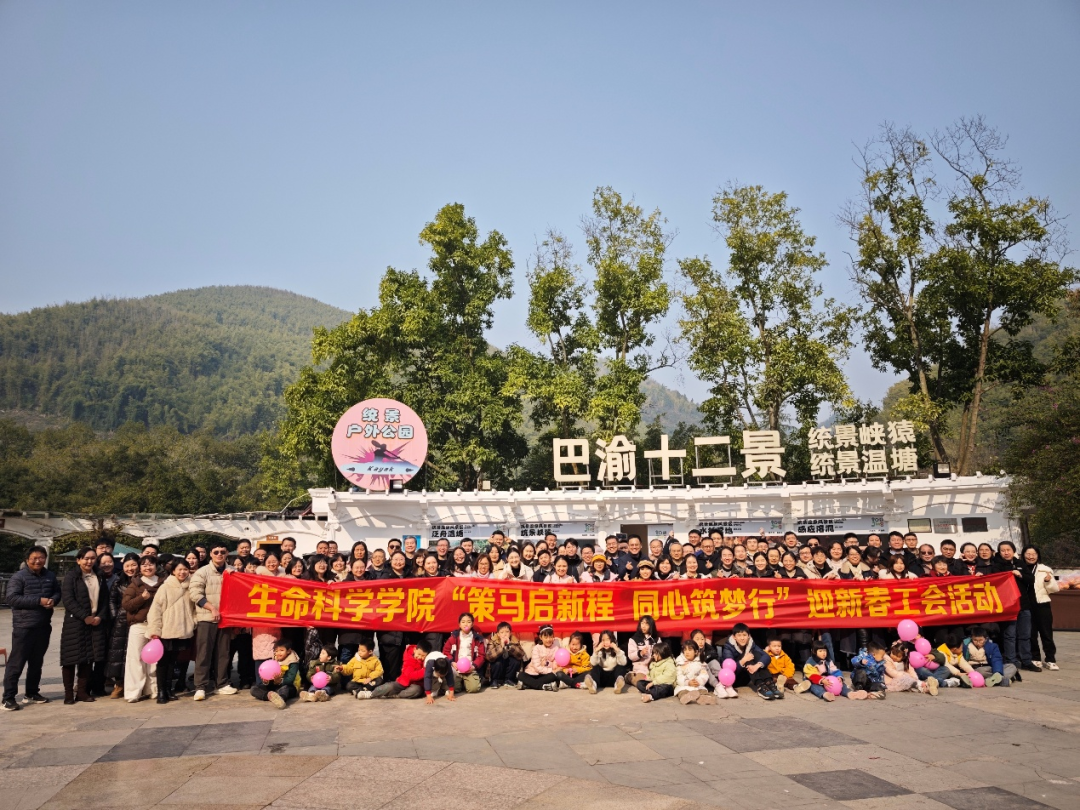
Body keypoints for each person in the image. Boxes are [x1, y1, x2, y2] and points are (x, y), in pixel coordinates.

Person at [3, 546, 61, 711]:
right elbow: (12, 598)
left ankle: (32, 693)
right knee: (17, 663)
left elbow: (57, 592)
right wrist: (39, 601)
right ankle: (8, 698)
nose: (38, 561)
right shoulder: (19, 577)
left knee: (37, 662)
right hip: (24, 626)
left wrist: (53, 600)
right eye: (34, 558)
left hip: (43, 625)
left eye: (41, 557)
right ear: (27, 559)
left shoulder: (50, 576)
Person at [188, 541, 237, 701]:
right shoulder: (202, 572)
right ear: (210, 554)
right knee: (204, 654)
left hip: (226, 619)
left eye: (222, 552)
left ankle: (221, 683)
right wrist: (212, 608)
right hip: (206, 618)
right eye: (216, 552)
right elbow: (195, 594)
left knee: (223, 653)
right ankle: (200, 686)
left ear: (227, 553)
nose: (219, 554)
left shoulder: (233, 571)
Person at [59, 548, 108, 705]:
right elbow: (68, 600)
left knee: (88, 659)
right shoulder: (71, 577)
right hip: (75, 623)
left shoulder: (99, 576)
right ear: (78, 560)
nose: (89, 561)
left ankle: (82, 691)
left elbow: (104, 600)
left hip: (95, 622)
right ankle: (68, 693)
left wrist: (100, 616)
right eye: (86, 558)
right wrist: (84, 616)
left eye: (93, 558)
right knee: (70, 659)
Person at [146, 558, 197, 704]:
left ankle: (169, 689)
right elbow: (155, 609)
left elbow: (194, 609)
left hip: (182, 630)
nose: (182, 572)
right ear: (173, 571)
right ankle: (161, 691)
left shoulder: (191, 587)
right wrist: (155, 629)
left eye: (185, 569)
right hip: (166, 630)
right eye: (179, 569)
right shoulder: (165, 587)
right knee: (163, 662)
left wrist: (192, 622)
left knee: (173, 661)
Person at [121, 556, 162, 703]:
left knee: (155, 660)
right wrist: (142, 598)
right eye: (144, 565)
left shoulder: (163, 583)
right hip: (139, 625)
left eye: (151, 565)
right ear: (140, 568)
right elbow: (126, 605)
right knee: (135, 659)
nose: (147, 567)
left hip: (156, 626)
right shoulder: (135, 584)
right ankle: (133, 692)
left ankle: (153, 690)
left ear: (156, 566)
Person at [105, 553, 140, 699]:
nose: (130, 568)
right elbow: (111, 600)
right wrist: (116, 615)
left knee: (135, 655)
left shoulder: (144, 581)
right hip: (121, 622)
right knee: (118, 655)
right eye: (127, 565)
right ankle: (119, 684)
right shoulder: (118, 581)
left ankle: (135, 684)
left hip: (138, 621)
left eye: (133, 565)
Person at [721, 623, 781, 700]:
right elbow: (729, 670)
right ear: (734, 637)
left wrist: (757, 666)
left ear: (748, 636)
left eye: (744, 635)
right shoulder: (728, 647)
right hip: (734, 680)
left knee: (756, 654)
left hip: (746, 677)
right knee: (746, 656)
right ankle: (760, 686)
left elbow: (766, 656)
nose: (742, 638)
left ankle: (769, 683)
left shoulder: (751, 644)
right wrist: (743, 661)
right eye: (739, 635)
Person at [1023, 547, 1060, 670]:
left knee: (1046, 633)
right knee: (1031, 634)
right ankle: (1035, 657)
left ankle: (1050, 659)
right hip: (1027, 606)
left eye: (1034, 554)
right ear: (1023, 555)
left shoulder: (1044, 570)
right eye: (1028, 554)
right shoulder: (1020, 568)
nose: (1031, 556)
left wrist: (1048, 581)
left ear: (1038, 555)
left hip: (1042, 605)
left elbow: (1055, 589)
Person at [795, 641, 868, 701]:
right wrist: (822, 680)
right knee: (814, 686)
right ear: (814, 652)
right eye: (820, 651)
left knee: (841, 684)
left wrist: (839, 677)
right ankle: (824, 694)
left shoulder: (828, 661)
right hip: (815, 680)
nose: (823, 653)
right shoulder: (810, 662)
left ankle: (850, 693)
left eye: (824, 651)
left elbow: (834, 670)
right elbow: (811, 675)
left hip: (827, 679)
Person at [443, 612, 485, 694]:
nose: (466, 624)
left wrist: (473, 666)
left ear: (472, 624)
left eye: (468, 622)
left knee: (474, 689)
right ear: (459, 624)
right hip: (456, 669)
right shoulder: (453, 637)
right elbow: (445, 652)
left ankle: (468, 681)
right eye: (463, 622)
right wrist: (452, 663)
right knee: (453, 689)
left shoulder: (478, 639)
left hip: (470, 668)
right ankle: (460, 682)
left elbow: (481, 656)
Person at [252, 640, 300, 709]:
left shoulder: (293, 662)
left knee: (285, 689)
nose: (278, 653)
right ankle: (269, 696)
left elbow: (290, 679)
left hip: (290, 686)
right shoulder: (274, 659)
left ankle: (281, 699)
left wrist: (280, 681)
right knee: (254, 689)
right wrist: (266, 681)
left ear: (288, 651)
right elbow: (271, 675)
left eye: (281, 650)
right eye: (276, 651)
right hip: (275, 686)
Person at [518, 625, 563, 691]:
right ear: (540, 637)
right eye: (546, 637)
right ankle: (543, 686)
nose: (548, 639)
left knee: (553, 676)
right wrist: (552, 670)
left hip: (546, 674)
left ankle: (528, 685)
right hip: (533, 673)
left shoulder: (556, 648)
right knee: (521, 675)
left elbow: (555, 665)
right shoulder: (536, 648)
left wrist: (547, 663)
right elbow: (537, 667)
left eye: (550, 637)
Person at [486, 622, 525, 688]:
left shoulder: (514, 640)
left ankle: (508, 680)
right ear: (498, 634)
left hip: (508, 667)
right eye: (502, 632)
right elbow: (488, 656)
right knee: (497, 662)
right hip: (498, 667)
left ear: (510, 633)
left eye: (507, 632)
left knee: (515, 661)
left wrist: (510, 646)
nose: (505, 634)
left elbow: (521, 654)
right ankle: (495, 680)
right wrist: (501, 647)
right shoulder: (493, 640)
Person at [675, 640, 716, 704]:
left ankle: (704, 697)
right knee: (682, 691)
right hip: (684, 685)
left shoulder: (700, 662)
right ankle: (685, 697)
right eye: (685, 650)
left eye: (690, 650)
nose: (687, 652)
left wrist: (698, 681)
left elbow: (704, 674)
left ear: (696, 652)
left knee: (702, 690)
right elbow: (678, 676)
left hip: (697, 684)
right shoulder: (680, 662)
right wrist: (687, 682)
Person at [627, 616, 659, 687]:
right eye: (642, 623)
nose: (643, 626)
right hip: (640, 669)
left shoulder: (656, 639)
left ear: (651, 626)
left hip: (654, 668)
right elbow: (631, 656)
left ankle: (630, 677)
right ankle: (630, 677)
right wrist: (640, 653)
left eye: (646, 624)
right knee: (641, 682)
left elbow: (661, 652)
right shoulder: (634, 639)